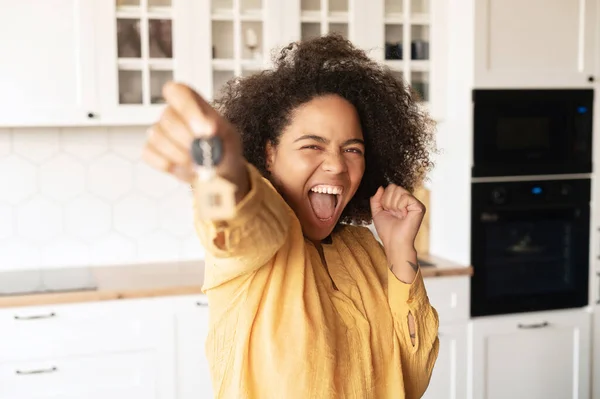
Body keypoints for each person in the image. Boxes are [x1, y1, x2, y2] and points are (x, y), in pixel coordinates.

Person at [143, 33, 439, 399]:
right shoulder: (261, 248)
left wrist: (399, 252)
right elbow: (238, 217)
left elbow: (411, 381)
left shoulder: (365, 249)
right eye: (312, 145)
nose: (336, 165)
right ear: (268, 155)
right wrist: (221, 168)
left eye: (352, 149)